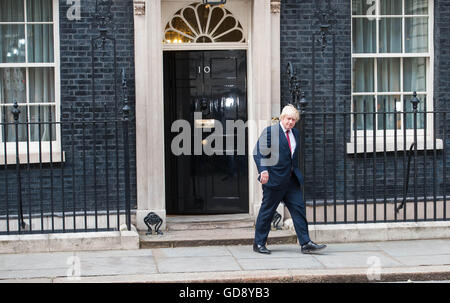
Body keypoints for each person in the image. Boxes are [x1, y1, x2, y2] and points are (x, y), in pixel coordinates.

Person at [252, 104, 326, 254]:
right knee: (267, 212)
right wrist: (264, 170)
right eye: (288, 119)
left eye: (293, 120)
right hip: (274, 180)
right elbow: (258, 152)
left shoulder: (295, 133)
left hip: (291, 181)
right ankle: (259, 243)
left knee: (299, 210)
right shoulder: (271, 132)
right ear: (282, 117)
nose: (290, 122)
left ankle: (305, 243)